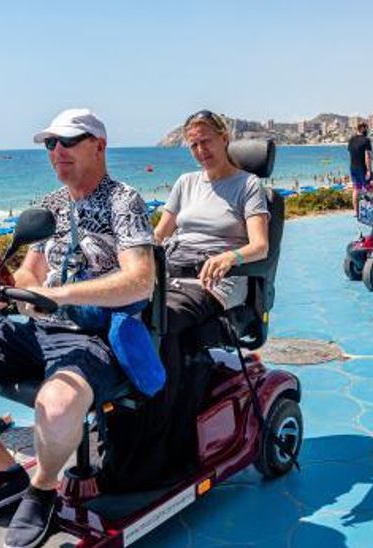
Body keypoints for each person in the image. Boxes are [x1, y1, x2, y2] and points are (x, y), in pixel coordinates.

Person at [0, 109, 155, 548]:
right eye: (50, 144)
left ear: (99, 145)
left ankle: (43, 487)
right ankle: (1, 472)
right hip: (38, 329)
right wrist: (10, 289)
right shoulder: (50, 206)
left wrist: (64, 296)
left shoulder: (122, 201)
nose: (57, 152)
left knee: (55, 408)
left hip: (95, 336)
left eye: (68, 141)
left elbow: (140, 279)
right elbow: (30, 273)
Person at [152, 109, 269, 484]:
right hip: (174, 270)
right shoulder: (186, 183)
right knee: (127, 311)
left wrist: (228, 256)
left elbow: (260, 246)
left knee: (161, 321)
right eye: (194, 144)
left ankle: (169, 434)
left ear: (224, 137)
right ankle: (138, 416)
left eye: (206, 141)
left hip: (219, 278)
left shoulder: (248, 185)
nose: (201, 150)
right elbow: (159, 237)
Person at [347, 122, 373, 214]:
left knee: (356, 189)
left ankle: (355, 211)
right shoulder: (366, 140)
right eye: (367, 128)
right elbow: (367, 156)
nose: (368, 130)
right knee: (367, 189)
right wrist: (369, 170)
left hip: (353, 167)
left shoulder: (351, 140)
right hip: (363, 167)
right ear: (362, 128)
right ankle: (368, 210)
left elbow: (351, 153)